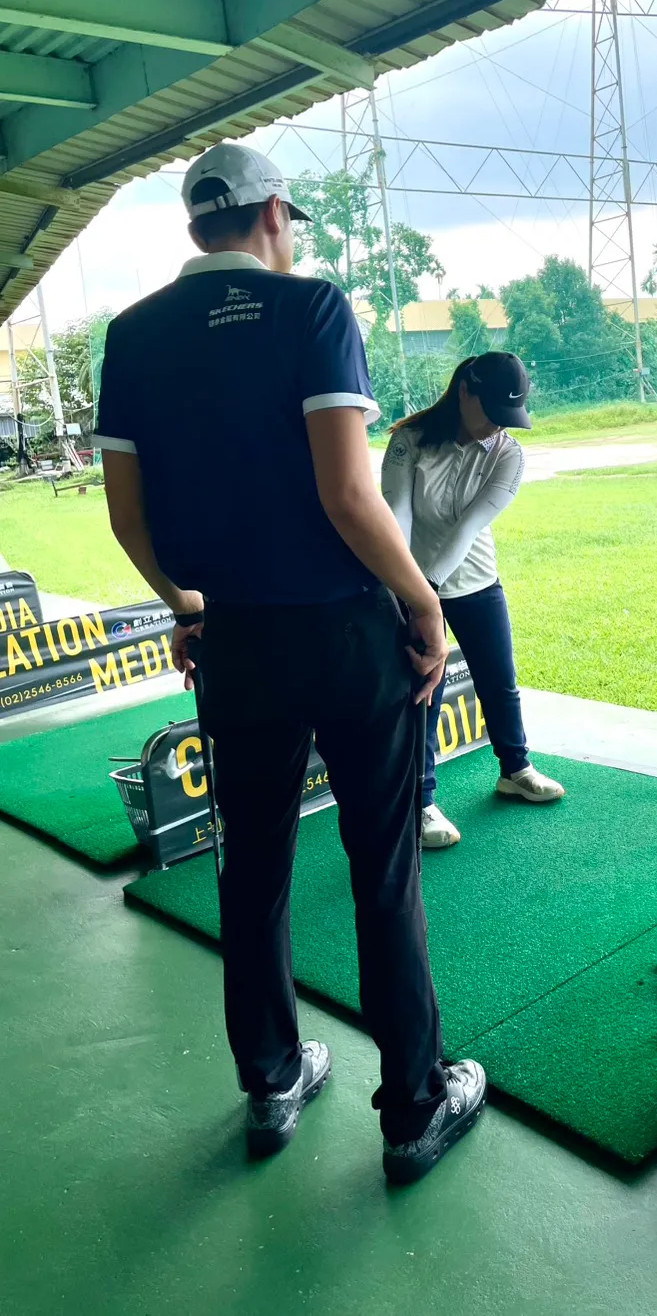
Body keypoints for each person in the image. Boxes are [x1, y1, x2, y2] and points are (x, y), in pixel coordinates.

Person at [93, 141, 485, 1182]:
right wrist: (423, 601)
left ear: (195, 224)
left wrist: (188, 605)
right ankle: (413, 1106)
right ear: (274, 212)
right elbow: (348, 496)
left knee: (255, 864)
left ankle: (271, 1079)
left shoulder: (132, 335)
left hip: (237, 642)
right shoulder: (311, 308)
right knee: (382, 868)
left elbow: (127, 517)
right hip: (347, 633)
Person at [381, 353, 565, 849]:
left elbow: (468, 528)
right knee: (424, 692)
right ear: (464, 390)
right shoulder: (410, 440)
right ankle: (421, 802)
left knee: (499, 682)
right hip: (413, 587)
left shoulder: (509, 454)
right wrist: (415, 596)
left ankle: (515, 770)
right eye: (492, 412)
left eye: (509, 416)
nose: (498, 427)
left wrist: (429, 589)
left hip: (477, 582)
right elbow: (396, 519)